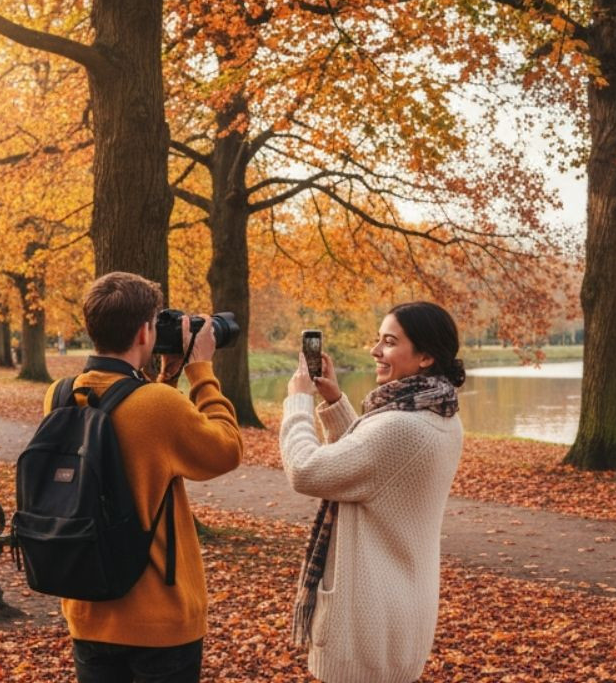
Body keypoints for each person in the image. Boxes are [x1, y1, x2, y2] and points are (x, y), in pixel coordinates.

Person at [44, 271, 243, 683]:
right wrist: (200, 370)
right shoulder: (160, 406)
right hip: (159, 618)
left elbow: (128, 422)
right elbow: (227, 449)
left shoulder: (61, 394)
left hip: (88, 608)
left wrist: (165, 378)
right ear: (144, 333)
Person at [279, 302, 466, 683]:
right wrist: (334, 402)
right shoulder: (440, 412)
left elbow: (307, 470)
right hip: (402, 609)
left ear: (426, 356)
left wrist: (298, 402)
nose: (375, 351)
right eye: (378, 339)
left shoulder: (399, 426)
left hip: (366, 624)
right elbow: (374, 471)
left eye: (390, 342)